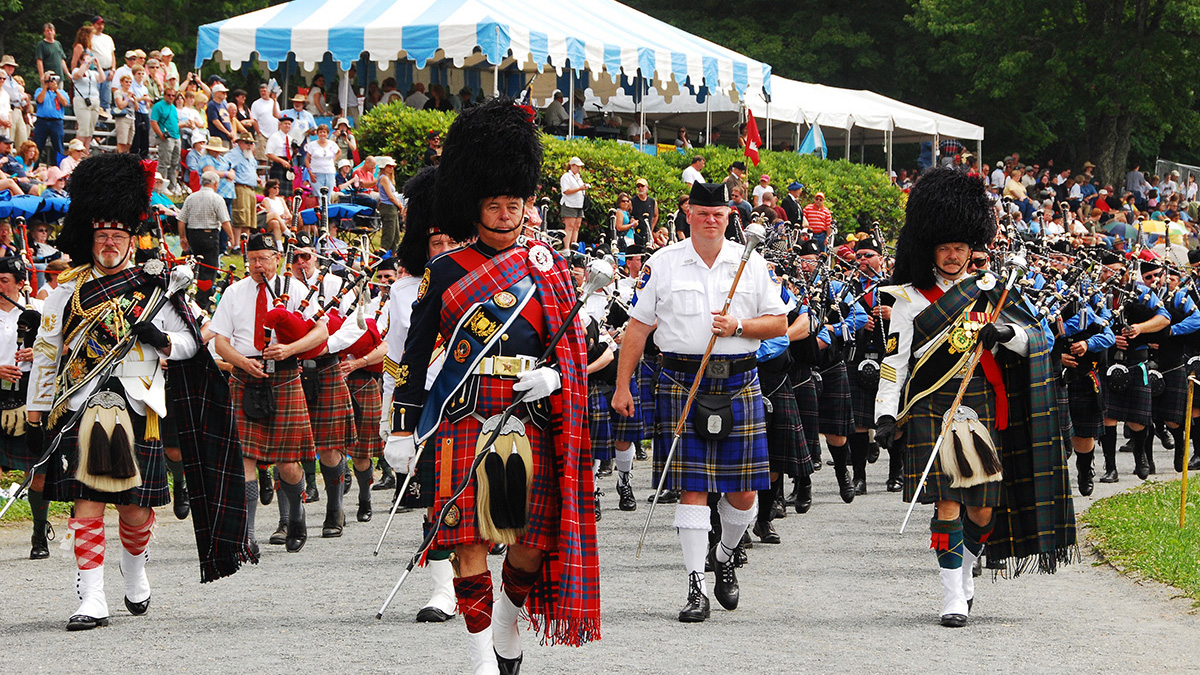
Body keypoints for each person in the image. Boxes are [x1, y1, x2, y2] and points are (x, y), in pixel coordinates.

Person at [389, 98, 599, 673]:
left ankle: (508, 614)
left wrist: (556, 375)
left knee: (531, 545)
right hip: (463, 415)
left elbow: (573, 348)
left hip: (530, 419)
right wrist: (403, 426)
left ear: (525, 203)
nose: (506, 213)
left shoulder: (547, 268)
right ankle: (481, 655)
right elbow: (411, 356)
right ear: (474, 204)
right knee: (466, 541)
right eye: (494, 202)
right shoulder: (446, 269)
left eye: (515, 202)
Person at [29, 153, 253, 631]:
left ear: (132, 239)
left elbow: (196, 341)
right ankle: (91, 597)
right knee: (86, 502)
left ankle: (134, 569)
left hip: (139, 405)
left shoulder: (159, 290)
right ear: (90, 240)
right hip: (82, 403)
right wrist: (37, 405)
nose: (108, 244)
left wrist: (163, 340)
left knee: (134, 509)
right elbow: (47, 350)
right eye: (101, 236)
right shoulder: (65, 291)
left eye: (117, 236)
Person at [874, 167, 1076, 628]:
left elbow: (1034, 342)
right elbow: (894, 361)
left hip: (980, 403)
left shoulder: (990, 294)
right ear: (931, 248)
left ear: (971, 250)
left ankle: (966, 571)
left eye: (959, 248)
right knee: (947, 503)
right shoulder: (904, 297)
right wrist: (885, 414)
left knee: (981, 509)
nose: (951, 255)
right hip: (929, 406)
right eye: (943, 248)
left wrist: (1002, 332)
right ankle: (949, 596)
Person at [612, 180, 788, 623]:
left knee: (744, 493)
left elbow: (780, 322)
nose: (712, 220)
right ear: (688, 213)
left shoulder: (750, 262)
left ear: (730, 216)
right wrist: (621, 386)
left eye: (720, 213)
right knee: (692, 489)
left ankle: (725, 553)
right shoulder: (663, 264)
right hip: (681, 381)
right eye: (703, 212)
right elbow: (637, 329)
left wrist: (739, 326)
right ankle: (696, 585)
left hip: (739, 380)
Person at [384, 165, 459, 622]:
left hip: (478, 403)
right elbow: (396, 362)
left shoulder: (489, 285)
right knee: (436, 500)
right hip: (429, 409)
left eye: (452, 241)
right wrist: (395, 427)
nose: (444, 250)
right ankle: (442, 591)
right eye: (435, 243)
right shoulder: (402, 292)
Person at [178, 170, 234, 311]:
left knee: (191, 265)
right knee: (209, 268)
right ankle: (203, 302)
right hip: (209, 235)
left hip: (193, 234)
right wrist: (232, 238)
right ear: (215, 184)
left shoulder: (191, 198)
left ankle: (182, 296)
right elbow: (225, 221)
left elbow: (181, 219)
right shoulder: (217, 199)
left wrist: (182, 237)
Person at [32, 71, 69, 165]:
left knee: (58, 147)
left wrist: (56, 90)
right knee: (37, 146)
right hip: (42, 121)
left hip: (56, 123)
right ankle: (34, 167)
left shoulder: (62, 92)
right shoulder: (39, 90)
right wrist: (45, 86)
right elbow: (39, 100)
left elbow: (64, 103)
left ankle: (59, 167)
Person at [228, 132, 260, 239]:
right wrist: (230, 173)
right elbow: (225, 164)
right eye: (247, 143)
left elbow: (252, 170)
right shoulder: (234, 154)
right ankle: (236, 244)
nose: (250, 145)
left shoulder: (250, 156)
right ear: (240, 143)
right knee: (239, 217)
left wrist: (257, 178)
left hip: (251, 189)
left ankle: (245, 244)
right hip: (240, 187)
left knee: (249, 219)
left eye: (251, 143)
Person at [150, 88, 181, 193]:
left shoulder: (173, 107)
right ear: (164, 95)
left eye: (173, 95)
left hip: (176, 136)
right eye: (169, 95)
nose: (171, 97)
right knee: (164, 162)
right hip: (166, 138)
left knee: (175, 163)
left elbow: (175, 122)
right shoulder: (158, 106)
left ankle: (172, 185)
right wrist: (161, 135)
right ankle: (161, 186)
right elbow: (154, 122)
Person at [560, 156, 589, 252]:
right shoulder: (566, 177)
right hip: (569, 204)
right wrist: (579, 189)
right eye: (577, 166)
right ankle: (566, 247)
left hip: (579, 205)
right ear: (572, 166)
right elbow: (566, 191)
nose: (579, 168)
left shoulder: (578, 178)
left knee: (577, 226)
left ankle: (574, 246)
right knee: (570, 226)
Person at [376, 155, 401, 252]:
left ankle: (393, 255)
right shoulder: (384, 178)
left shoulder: (387, 178)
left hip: (392, 206)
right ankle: (383, 255)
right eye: (389, 166)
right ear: (384, 167)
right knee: (389, 234)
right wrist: (399, 205)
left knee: (396, 235)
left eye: (392, 166)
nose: (391, 168)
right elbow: (390, 196)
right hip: (388, 207)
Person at [265, 116, 295, 196]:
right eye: (285, 124)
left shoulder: (290, 138)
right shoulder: (274, 137)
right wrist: (281, 161)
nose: (287, 126)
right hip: (278, 164)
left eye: (289, 124)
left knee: (286, 194)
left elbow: (291, 154)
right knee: (277, 191)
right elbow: (268, 153)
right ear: (280, 125)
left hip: (288, 164)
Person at [250, 82, 281, 162]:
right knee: (262, 159)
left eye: (265, 90)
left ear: (269, 91)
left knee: (273, 159)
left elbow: (278, 118)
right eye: (261, 91)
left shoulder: (275, 103)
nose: (263, 92)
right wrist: (259, 133)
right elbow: (254, 120)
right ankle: (262, 175)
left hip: (273, 135)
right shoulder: (256, 104)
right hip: (262, 135)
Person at [305, 124, 340, 193]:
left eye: (324, 132)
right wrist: (310, 172)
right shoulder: (312, 145)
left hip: (329, 172)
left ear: (327, 134)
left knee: (328, 194)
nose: (322, 134)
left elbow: (339, 152)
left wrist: (333, 160)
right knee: (319, 195)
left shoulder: (332, 144)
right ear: (317, 134)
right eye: (320, 132)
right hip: (316, 173)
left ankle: (328, 204)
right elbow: (307, 159)